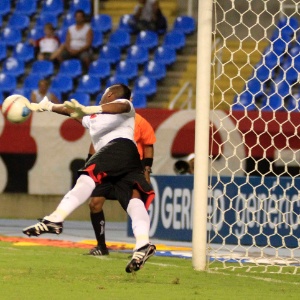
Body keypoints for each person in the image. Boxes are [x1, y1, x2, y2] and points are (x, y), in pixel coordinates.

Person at [22, 84, 156, 273]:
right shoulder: (94, 118)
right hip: (126, 159)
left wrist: (91, 108)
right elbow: (72, 112)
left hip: (119, 148)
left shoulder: (124, 106)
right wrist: (48, 106)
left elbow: (122, 106)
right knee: (134, 200)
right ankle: (143, 244)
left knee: (87, 177)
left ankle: (55, 219)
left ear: (109, 94)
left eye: (104, 94)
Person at [88, 112, 156, 256]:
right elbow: (95, 143)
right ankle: (101, 246)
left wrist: (146, 171)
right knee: (95, 203)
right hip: (107, 169)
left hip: (130, 171)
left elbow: (148, 145)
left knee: (135, 205)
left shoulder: (140, 122)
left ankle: (142, 244)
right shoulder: (105, 120)